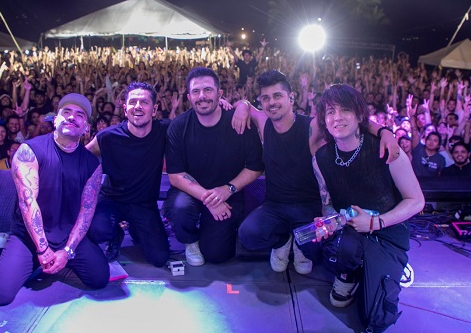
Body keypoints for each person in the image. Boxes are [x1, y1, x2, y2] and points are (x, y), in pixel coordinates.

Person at [234, 70, 400, 275]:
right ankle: (283, 240)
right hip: (274, 205)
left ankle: (300, 243)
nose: (272, 102)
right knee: (247, 235)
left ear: (291, 98)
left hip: (309, 208)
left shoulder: (310, 126)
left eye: (277, 96)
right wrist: (242, 106)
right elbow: (244, 106)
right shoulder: (263, 121)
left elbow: (356, 123)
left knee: (315, 250)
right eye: (266, 98)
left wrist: (385, 132)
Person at [310, 84, 424, 333]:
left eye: (345, 110)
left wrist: (376, 223)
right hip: (349, 229)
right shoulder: (321, 158)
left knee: (374, 321)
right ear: (324, 120)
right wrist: (327, 221)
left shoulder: (386, 150)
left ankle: (392, 265)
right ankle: (348, 274)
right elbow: (328, 201)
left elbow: (416, 201)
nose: (337, 117)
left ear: (360, 115)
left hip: (386, 231)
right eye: (330, 112)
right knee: (314, 243)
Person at [0, 93, 109, 306]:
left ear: (86, 127)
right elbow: (27, 202)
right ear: (55, 119)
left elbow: (86, 212)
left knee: (99, 279)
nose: (72, 117)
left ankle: (53, 261)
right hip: (29, 237)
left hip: (66, 235)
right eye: (66, 112)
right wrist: (42, 250)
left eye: (79, 115)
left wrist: (67, 252)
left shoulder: (92, 164)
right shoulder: (29, 151)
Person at [162, 67, 264, 266]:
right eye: (196, 92)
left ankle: (216, 231)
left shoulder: (239, 122)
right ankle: (190, 241)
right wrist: (211, 200)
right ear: (189, 97)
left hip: (229, 192)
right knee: (180, 209)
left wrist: (228, 190)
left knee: (216, 254)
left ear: (220, 93)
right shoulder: (179, 126)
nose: (202, 96)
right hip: (190, 193)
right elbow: (176, 176)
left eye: (208, 90)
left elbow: (255, 167)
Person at [86, 82, 179, 267]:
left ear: (154, 109)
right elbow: (81, 158)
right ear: (125, 108)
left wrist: (237, 105)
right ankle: (115, 234)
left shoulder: (165, 130)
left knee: (159, 258)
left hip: (144, 204)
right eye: (133, 102)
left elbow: (193, 121)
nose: (137, 106)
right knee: (97, 230)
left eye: (144, 102)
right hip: (112, 200)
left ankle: (137, 230)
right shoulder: (108, 137)